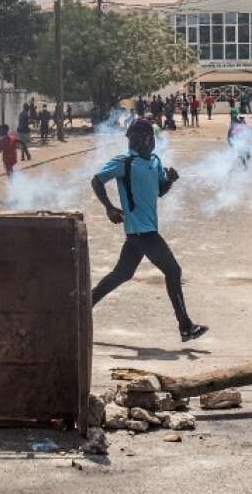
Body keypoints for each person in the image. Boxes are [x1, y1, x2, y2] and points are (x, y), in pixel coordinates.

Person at [90, 118, 208, 342]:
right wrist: (109, 208)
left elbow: (160, 191)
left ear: (147, 139)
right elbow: (97, 181)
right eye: (131, 138)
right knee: (173, 271)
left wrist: (170, 180)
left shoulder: (155, 162)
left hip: (141, 232)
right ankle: (185, 326)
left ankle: (83, 306)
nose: (133, 142)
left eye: (138, 138)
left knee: (122, 274)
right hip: (143, 232)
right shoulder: (123, 162)